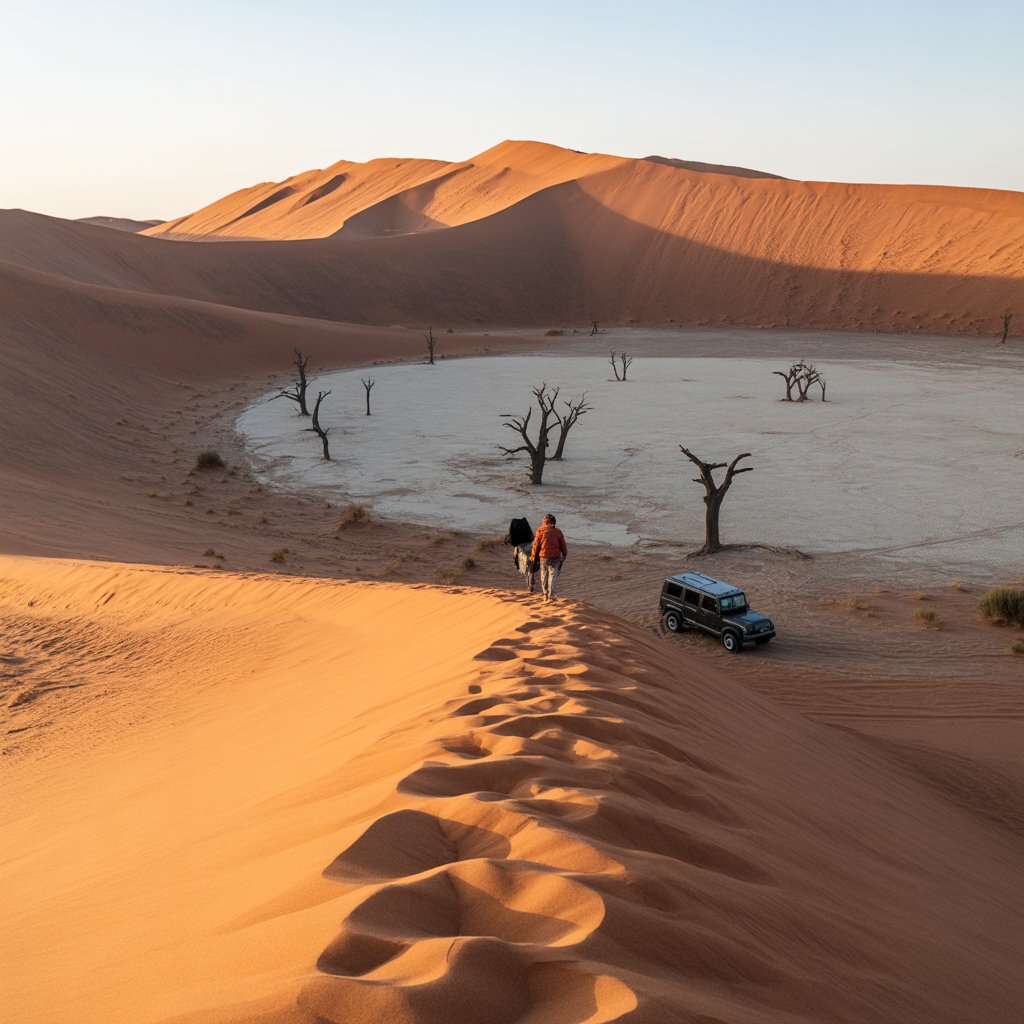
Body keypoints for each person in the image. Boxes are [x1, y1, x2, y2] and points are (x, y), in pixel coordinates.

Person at [530, 513, 567, 602]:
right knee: (553, 576)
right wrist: (564, 554)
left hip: (544, 557)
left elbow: (536, 546)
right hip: (555, 557)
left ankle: (545, 595)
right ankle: (551, 595)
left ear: (545, 522)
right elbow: (563, 545)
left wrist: (533, 556)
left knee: (544, 576)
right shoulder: (558, 531)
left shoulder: (540, 531)